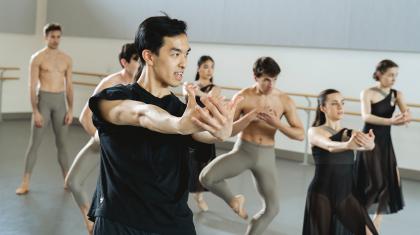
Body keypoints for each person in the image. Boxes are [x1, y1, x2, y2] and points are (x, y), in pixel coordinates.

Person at [87, 15, 243, 235]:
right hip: (121, 222)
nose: (184, 63)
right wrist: (178, 125)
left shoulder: (181, 109)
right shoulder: (112, 99)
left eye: (186, 54)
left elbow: (202, 133)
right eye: (175, 53)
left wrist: (221, 131)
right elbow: (143, 114)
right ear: (149, 56)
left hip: (173, 224)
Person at [200, 57, 305, 235]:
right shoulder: (243, 97)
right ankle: (234, 201)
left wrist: (276, 123)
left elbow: (301, 135)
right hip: (244, 151)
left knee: (272, 209)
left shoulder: (284, 100)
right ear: (255, 77)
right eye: (266, 79)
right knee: (206, 178)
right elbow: (227, 132)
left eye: (274, 80)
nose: (270, 84)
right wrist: (248, 118)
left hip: (266, 157)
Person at [65, 43, 140, 234]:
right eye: (135, 60)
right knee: (73, 181)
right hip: (104, 143)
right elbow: (84, 117)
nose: (140, 64)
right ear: (124, 62)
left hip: (130, 153)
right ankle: (90, 222)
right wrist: (102, 140)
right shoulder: (110, 82)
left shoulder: (142, 85)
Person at [303, 89, 378, 235]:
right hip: (321, 194)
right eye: (335, 104)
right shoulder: (315, 131)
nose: (340, 107)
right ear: (323, 108)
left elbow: (364, 143)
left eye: (342, 103)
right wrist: (347, 146)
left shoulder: (348, 133)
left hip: (346, 195)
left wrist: (370, 144)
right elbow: (329, 145)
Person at [16, 23, 73, 195]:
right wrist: (35, 111)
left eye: (58, 37)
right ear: (45, 37)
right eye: (52, 36)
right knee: (34, 144)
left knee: (62, 144)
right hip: (44, 102)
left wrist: (71, 109)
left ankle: (67, 180)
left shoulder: (66, 59)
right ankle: (25, 182)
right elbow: (31, 86)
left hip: (60, 102)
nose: (55, 40)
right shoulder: (37, 58)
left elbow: (69, 85)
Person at [354, 59, 411, 234]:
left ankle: (377, 221)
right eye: (390, 75)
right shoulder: (368, 93)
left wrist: (405, 118)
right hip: (369, 141)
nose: (394, 79)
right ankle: (361, 215)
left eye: (396, 75)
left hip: (386, 142)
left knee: (390, 181)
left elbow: (406, 116)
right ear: (379, 74)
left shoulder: (397, 94)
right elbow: (366, 117)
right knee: (376, 182)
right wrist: (390, 121)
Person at [184, 55, 221, 212]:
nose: (209, 70)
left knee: (201, 164)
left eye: (212, 67)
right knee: (185, 163)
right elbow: (186, 93)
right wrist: (194, 91)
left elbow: (210, 98)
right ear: (199, 68)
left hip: (205, 130)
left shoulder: (215, 88)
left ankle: (199, 196)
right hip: (188, 127)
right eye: (206, 66)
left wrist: (197, 92)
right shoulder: (189, 85)